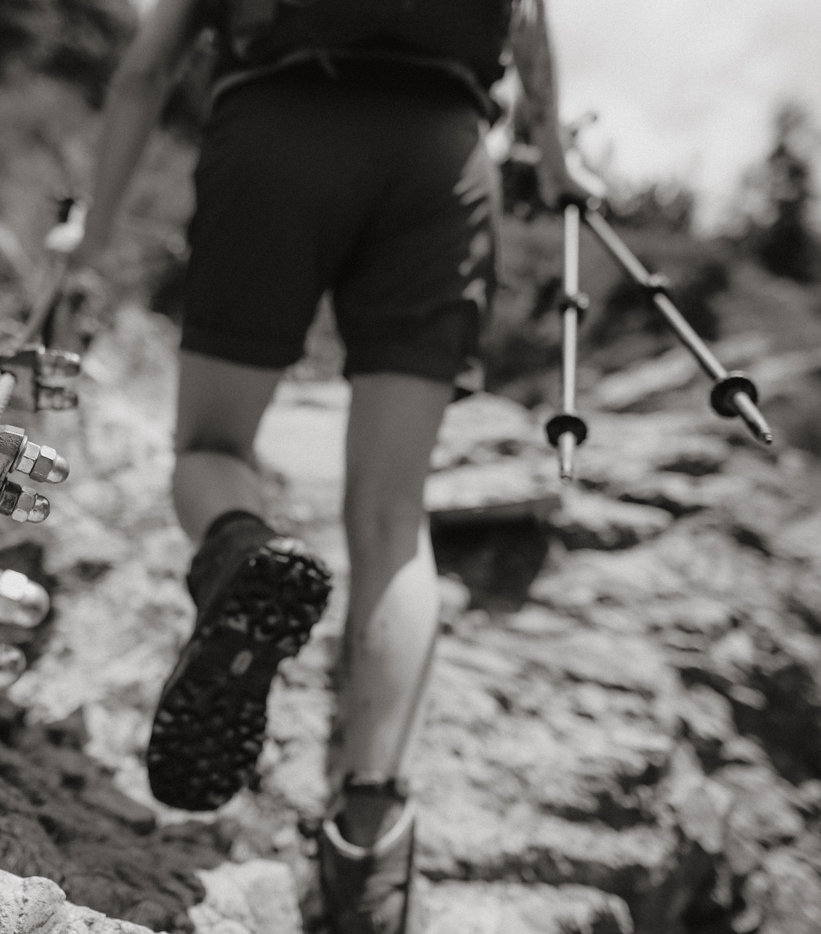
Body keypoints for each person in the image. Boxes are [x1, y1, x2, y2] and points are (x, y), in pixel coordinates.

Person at [58, 2, 593, 931]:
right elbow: (531, 30)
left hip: (278, 127)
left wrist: (91, 237)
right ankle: (370, 846)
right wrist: (552, 154)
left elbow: (145, 69)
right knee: (391, 518)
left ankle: (239, 553)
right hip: (440, 149)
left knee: (213, 447)